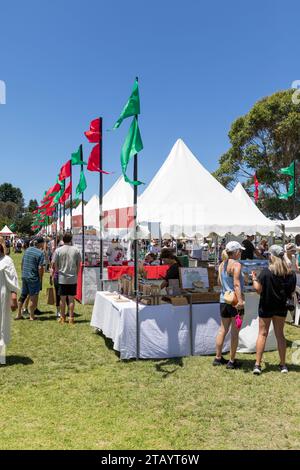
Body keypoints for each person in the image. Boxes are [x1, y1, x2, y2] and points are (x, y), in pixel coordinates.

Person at [252, 245, 296, 375]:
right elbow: (292, 291)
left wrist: (254, 278)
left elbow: (258, 289)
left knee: (262, 334)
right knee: (280, 335)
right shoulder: (290, 273)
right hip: (281, 307)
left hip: (266, 305)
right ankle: (283, 365)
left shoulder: (266, 272)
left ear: (272, 256)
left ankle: (257, 365)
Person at [213, 241, 245, 369]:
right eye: (240, 251)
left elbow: (222, 283)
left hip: (224, 300)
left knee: (222, 329)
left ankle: (218, 357)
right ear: (236, 252)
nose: (241, 253)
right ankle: (232, 361)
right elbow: (236, 284)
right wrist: (241, 301)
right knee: (234, 332)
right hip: (235, 301)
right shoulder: (236, 264)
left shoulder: (222, 264)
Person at [53, 232, 81, 324]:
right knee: (71, 299)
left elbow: (54, 264)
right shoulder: (76, 250)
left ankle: (62, 317)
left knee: (62, 299)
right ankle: (71, 317)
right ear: (71, 239)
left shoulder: (58, 250)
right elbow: (78, 264)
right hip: (72, 277)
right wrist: (76, 274)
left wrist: (58, 271)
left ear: (63, 240)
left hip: (62, 277)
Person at [16, 237, 45, 321]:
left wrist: (23, 273)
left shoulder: (27, 250)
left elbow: (22, 263)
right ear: (40, 243)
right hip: (33, 277)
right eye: (43, 243)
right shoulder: (40, 253)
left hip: (25, 276)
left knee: (23, 295)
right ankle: (32, 316)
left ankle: (19, 314)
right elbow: (40, 267)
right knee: (33, 296)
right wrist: (40, 278)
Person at [0, 239, 18, 364]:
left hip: (2, 296)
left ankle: (1, 357)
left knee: (1, 325)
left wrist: (14, 297)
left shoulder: (7, 261)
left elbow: (13, 279)